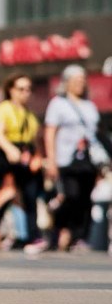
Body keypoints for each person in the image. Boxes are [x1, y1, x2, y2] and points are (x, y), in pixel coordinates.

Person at [44, 65, 106, 251]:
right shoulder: (58, 104)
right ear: (66, 82)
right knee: (70, 195)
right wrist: (51, 159)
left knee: (85, 199)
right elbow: (50, 132)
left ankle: (77, 236)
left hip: (88, 159)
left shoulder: (90, 105)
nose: (81, 83)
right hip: (66, 158)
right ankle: (60, 227)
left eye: (83, 80)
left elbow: (96, 135)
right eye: (77, 80)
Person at [0, 74, 44, 253]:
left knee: (31, 196)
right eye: (21, 89)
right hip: (8, 155)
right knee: (5, 196)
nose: (26, 93)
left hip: (26, 156)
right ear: (11, 90)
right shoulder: (4, 108)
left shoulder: (30, 115)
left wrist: (37, 157)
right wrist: (9, 149)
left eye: (29, 89)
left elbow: (34, 141)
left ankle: (34, 237)